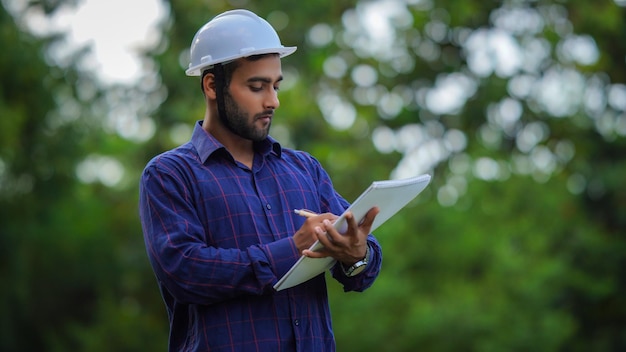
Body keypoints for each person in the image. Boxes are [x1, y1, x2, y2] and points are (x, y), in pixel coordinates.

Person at [139, 9, 382, 352]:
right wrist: (291, 250)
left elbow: (364, 265)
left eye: (275, 85)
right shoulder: (170, 175)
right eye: (257, 86)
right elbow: (185, 272)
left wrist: (356, 255)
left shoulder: (304, 170)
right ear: (212, 85)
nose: (273, 101)